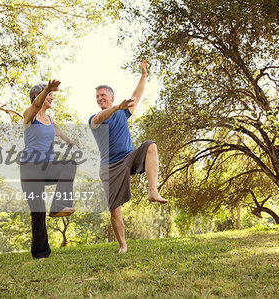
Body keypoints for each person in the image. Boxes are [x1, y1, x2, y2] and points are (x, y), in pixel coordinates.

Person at [89, 60, 168, 254]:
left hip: (129, 157)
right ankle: (123, 246)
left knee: (151, 146)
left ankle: (152, 191)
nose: (99, 99)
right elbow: (100, 118)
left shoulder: (124, 112)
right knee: (115, 209)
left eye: (103, 95)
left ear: (111, 96)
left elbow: (137, 95)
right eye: (97, 97)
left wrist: (143, 75)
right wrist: (115, 108)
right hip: (110, 166)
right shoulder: (94, 119)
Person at [20, 80, 77, 259]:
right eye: (48, 95)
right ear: (38, 96)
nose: (51, 98)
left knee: (69, 164)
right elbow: (36, 105)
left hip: (47, 167)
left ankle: (59, 206)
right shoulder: (29, 116)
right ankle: (41, 253)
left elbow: (58, 131)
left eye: (52, 95)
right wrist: (47, 89)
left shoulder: (50, 120)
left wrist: (69, 140)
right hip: (30, 168)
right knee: (38, 211)